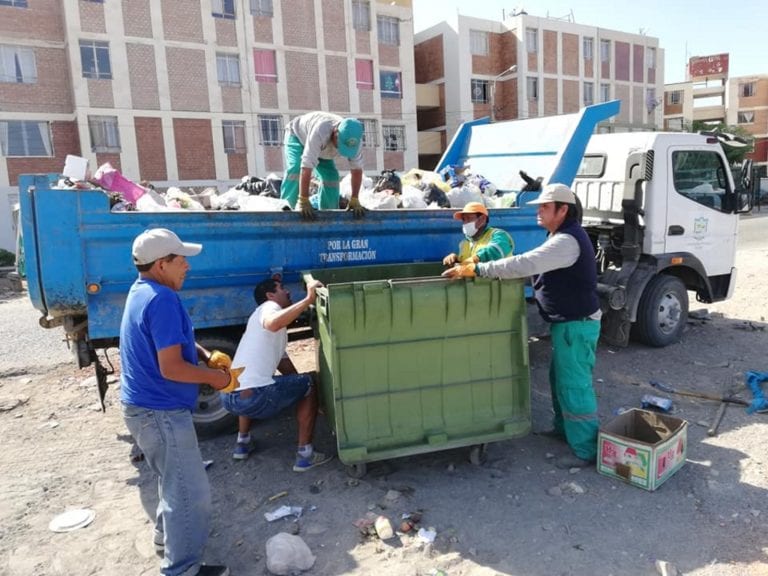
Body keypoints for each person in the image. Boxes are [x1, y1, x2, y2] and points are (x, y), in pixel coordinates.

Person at [443, 184, 600, 468]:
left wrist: (476, 268)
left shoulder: (567, 241)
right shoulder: (559, 234)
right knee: (559, 380)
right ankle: (564, 431)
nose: (538, 211)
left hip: (577, 324)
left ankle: (585, 450)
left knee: (574, 385)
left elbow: (525, 263)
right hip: (567, 324)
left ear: (563, 210)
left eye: (544, 207)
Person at [120, 228, 239, 576]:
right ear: (161, 264)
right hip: (160, 412)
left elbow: (171, 342)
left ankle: (164, 538)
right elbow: (170, 367)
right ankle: (182, 569)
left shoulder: (144, 291)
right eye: (181, 259)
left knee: (171, 480)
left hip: (143, 409)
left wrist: (204, 355)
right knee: (190, 493)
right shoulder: (162, 299)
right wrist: (218, 379)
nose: (187, 265)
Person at [222, 277, 333, 472]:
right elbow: (272, 323)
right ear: (270, 295)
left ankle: (243, 443)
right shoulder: (269, 307)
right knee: (309, 383)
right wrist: (308, 299)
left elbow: (286, 366)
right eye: (282, 288)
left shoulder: (258, 328)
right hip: (254, 396)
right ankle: (305, 455)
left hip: (230, 397)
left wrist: (307, 396)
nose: (287, 292)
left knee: (298, 384)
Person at [280, 111, 366, 220]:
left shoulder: (354, 140)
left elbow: (357, 170)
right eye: (340, 145)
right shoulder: (321, 130)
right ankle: (284, 212)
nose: (340, 149)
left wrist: (355, 198)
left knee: (331, 177)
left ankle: (329, 218)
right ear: (336, 133)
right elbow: (306, 166)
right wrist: (304, 199)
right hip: (298, 136)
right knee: (295, 168)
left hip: (322, 149)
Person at [442, 202, 515, 266]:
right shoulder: (464, 243)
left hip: (500, 281)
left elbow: (496, 250)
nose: (465, 223)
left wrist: (476, 259)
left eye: (468, 218)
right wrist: (455, 259)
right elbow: (465, 265)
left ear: (482, 219)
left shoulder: (498, 235)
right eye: (464, 219)